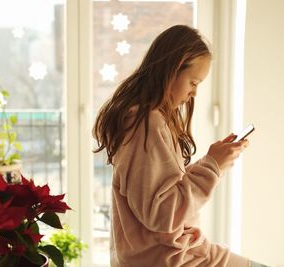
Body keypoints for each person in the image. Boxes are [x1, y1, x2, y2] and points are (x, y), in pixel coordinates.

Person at [93, 25, 268, 267]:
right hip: (169, 259)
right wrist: (212, 166)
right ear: (171, 71)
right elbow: (162, 214)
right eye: (193, 82)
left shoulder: (149, 120)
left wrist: (213, 161)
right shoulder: (145, 123)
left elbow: (163, 192)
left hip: (175, 253)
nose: (194, 93)